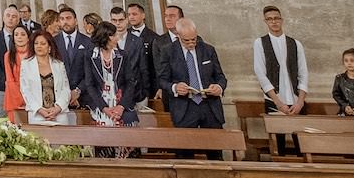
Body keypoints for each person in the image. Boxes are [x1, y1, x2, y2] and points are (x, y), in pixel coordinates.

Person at [75, 22, 144, 150]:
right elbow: (90, 84)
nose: (117, 38)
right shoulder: (90, 56)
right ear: (106, 37)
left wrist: (121, 106)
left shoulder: (123, 55)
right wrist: (104, 108)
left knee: (127, 145)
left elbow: (130, 82)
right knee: (104, 149)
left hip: (122, 105)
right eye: (114, 35)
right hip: (101, 107)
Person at [160, 18, 228, 134]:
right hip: (184, 107)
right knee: (185, 148)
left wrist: (219, 87)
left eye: (194, 39)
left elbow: (220, 76)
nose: (191, 43)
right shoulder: (168, 51)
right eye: (186, 40)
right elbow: (162, 79)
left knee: (214, 146)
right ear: (178, 36)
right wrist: (175, 87)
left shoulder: (208, 50)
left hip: (209, 105)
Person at [20, 32, 76, 126]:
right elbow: (25, 90)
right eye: (36, 43)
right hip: (37, 115)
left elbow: (65, 89)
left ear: (49, 47)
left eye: (43, 43)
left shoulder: (59, 65)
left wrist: (58, 108)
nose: (39, 46)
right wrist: (40, 109)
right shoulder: (26, 65)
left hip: (59, 115)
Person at [0, 5, 21, 112]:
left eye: (14, 16)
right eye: (8, 16)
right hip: (3, 83)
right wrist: (6, 79)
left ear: (18, 20)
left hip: (21, 84)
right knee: (3, 115)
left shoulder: (24, 37)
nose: (11, 18)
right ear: (3, 18)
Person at [0, 22, 33, 120]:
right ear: (13, 38)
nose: (19, 37)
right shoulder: (8, 55)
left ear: (28, 38)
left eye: (23, 34)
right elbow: (10, 80)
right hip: (14, 96)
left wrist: (28, 97)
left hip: (32, 95)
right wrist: (20, 99)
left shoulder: (33, 54)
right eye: (16, 34)